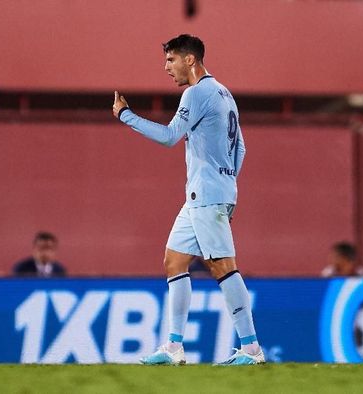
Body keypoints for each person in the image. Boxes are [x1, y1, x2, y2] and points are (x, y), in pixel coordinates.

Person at [112, 34, 263, 365]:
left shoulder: (196, 93)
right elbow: (241, 148)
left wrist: (125, 115)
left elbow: (169, 137)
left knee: (222, 266)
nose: (167, 68)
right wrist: (228, 185)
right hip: (207, 194)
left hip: (206, 195)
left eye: (171, 60)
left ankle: (252, 349)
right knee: (174, 261)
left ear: (189, 60)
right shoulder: (224, 93)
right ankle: (174, 347)